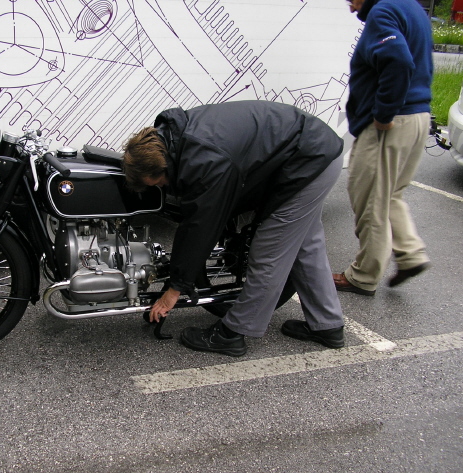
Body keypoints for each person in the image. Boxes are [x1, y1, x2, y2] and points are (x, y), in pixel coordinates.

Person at [122, 100, 345, 356]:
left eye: (158, 182)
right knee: (306, 244)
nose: (160, 188)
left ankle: (233, 333)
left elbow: (200, 228)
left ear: (162, 166)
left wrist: (174, 290)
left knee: (269, 252)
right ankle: (328, 325)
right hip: (316, 151)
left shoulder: (205, 162)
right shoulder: (176, 137)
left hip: (308, 162)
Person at [334, 0, 433, 296]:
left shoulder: (382, 10)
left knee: (370, 199)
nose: (351, 7)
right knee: (391, 194)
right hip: (418, 115)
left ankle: (363, 276)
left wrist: (383, 113)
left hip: (391, 124)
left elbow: (399, 59)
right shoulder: (412, 7)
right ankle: (411, 254)